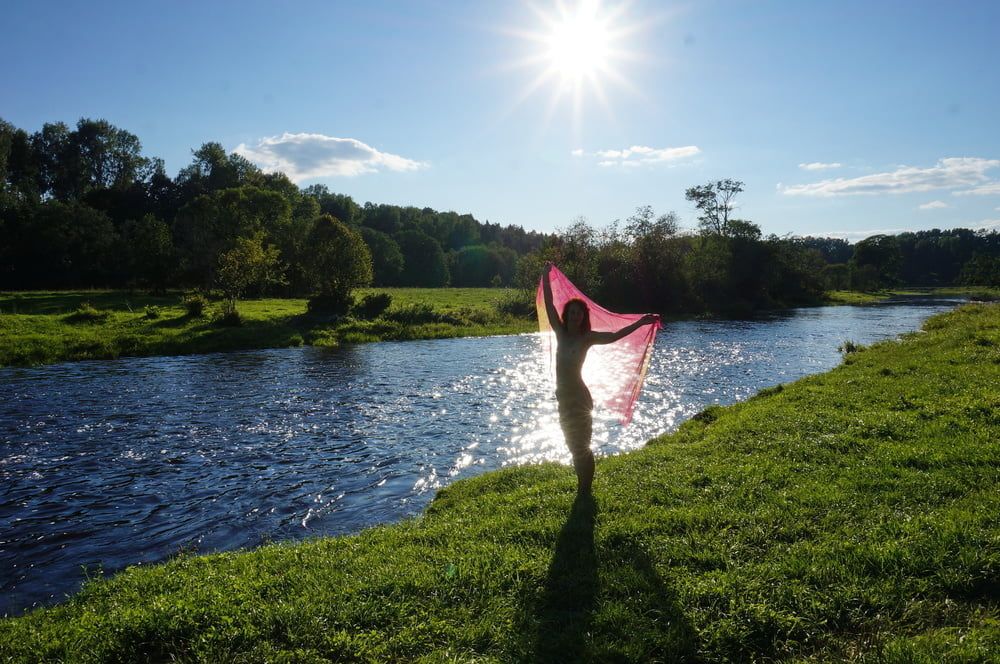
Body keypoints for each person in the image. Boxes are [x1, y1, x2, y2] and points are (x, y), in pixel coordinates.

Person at [541, 263, 659, 493]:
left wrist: (641, 322)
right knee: (571, 444)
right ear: (567, 315)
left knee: (582, 445)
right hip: (564, 398)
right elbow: (548, 304)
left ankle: (586, 488)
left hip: (580, 398)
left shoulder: (588, 338)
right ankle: (582, 486)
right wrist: (545, 277)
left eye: (578, 313)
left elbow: (615, 335)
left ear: (583, 317)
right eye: (571, 313)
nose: (574, 316)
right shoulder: (560, 332)